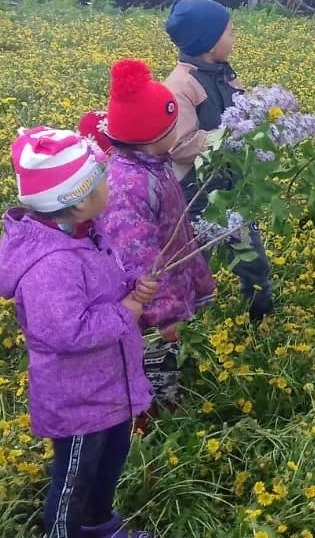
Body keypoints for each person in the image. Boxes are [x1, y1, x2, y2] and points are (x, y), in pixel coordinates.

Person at [0, 127, 156, 538]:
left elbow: (105, 280)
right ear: (78, 200)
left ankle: (100, 525)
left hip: (110, 386)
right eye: (101, 178)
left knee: (108, 466)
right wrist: (129, 310)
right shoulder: (51, 264)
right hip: (79, 401)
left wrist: (133, 285)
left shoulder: (86, 231)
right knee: (73, 484)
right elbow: (67, 332)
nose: (110, 182)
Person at [94, 59, 215, 409]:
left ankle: (166, 398)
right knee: (154, 364)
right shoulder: (129, 185)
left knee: (172, 358)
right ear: (154, 137)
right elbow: (138, 260)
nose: (179, 128)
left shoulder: (154, 167)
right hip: (153, 308)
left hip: (172, 283)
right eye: (173, 124)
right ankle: (152, 418)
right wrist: (164, 312)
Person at [163, 0, 274, 325]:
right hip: (197, 195)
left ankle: (261, 317)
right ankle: (185, 324)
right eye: (228, 30)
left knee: (251, 258)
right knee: (193, 262)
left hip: (233, 189)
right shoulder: (180, 86)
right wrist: (230, 138)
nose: (234, 35)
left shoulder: (227, 76)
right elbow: (180, 145)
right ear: (208, 41)